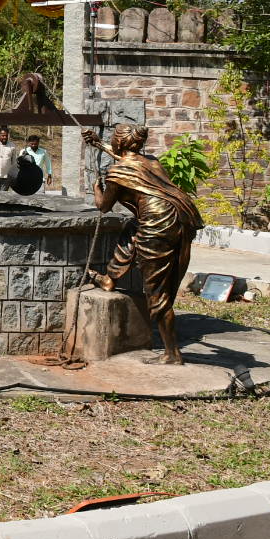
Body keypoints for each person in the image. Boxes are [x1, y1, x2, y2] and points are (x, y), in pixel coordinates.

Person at [82, 124, 204, 365]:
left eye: (113, 141)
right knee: (131, 229)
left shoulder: (116, 175)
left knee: (157, 290)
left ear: (121, 143)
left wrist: (97, 189)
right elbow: (129, 161)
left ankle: (172, 353)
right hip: (178, 218)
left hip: (157, 226)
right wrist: (99, 143)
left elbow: (103, 207)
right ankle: (110, 278)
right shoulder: (152, 162)